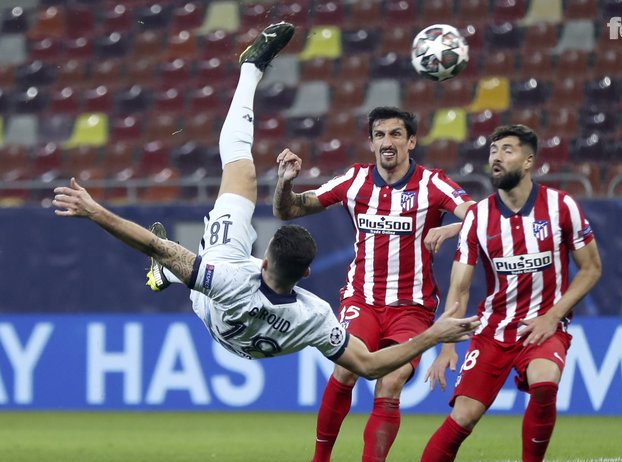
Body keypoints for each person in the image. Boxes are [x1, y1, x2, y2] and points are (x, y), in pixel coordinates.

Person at [51, 23, 479, 384]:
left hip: (219, 303)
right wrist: (433, 336)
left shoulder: (231, 277)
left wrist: (94, 211)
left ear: (262, 259)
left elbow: (151, 243)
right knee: (192, 251)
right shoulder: (315, 314)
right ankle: (168, 276)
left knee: (238, 174)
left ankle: (250, 71)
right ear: (307, 274)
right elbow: (368, 366)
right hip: (250, 341)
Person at [390, 124, 602, 462]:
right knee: (463, 417)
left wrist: (553, 316)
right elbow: (460, 287)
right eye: (493, 150)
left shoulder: (561, 207)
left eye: (507, 150)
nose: (496, 157)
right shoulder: (478, 218)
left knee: (544, 383)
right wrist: (448, 344)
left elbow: (591, 269)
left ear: (528, 161)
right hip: (492, 331)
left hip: (543, 327)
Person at [275, 107, 475, 462]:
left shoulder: (433, 185)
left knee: (392, 382)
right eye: (380, 134)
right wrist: (284, 183)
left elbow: (483, 217)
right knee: (346, 370)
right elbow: (290, 210)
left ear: (411, 141)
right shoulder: (354, 181)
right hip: (361, 300)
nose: (387, 141)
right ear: (370, 142)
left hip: (412, 310)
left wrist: (450, 228)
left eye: (396, 134)